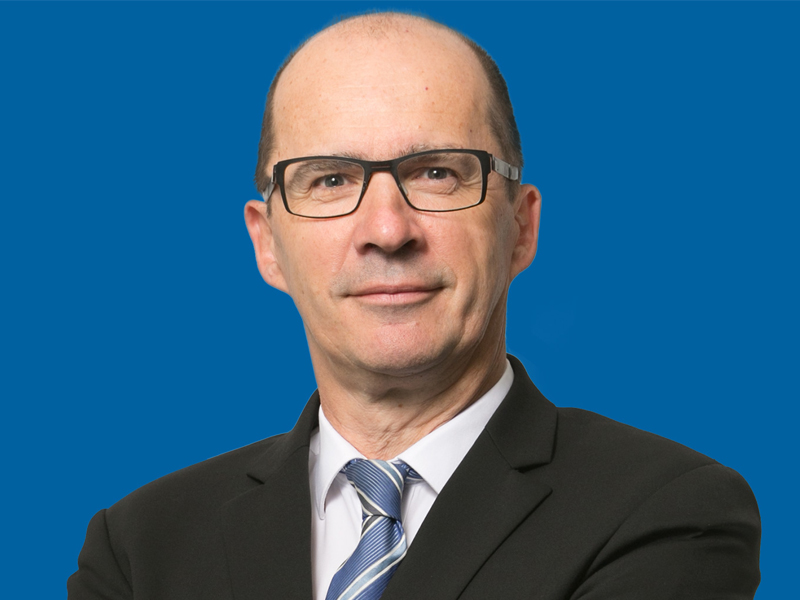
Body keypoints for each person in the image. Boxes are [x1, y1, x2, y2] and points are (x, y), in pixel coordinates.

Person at [68, 12, 761, 600]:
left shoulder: (669, 512)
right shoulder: (139, 548)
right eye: (330, 180)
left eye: (437, 172)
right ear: (267, 244)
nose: (387, 230)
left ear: (521, 227)